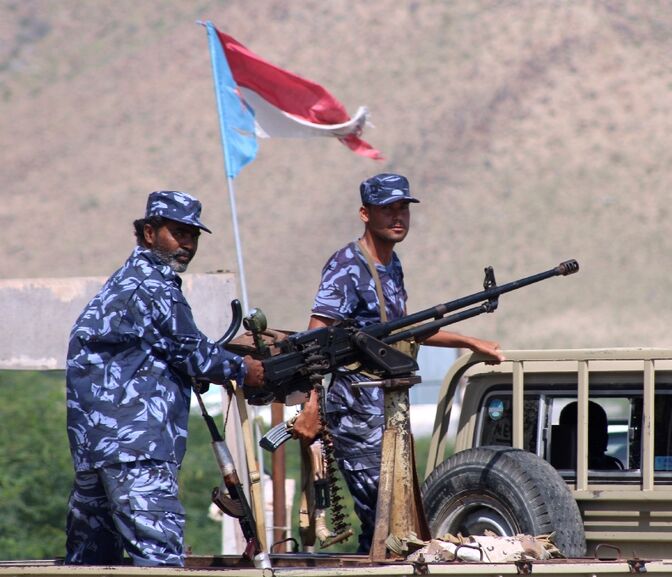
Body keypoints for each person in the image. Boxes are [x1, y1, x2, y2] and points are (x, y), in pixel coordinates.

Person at [65, 190, 265, 566]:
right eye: (178, 233)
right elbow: (192, 351)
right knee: (158, 562)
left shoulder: (125, 281)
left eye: (193, 236)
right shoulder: (151, 284)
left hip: (97, 451)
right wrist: (245, 370)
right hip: (136, 451)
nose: (187, 244)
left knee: (92, 565)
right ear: (148, 233)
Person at [307, 173, 505, 553]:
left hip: (387, 408)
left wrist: (468, 341)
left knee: (393, 523)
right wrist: (313, 407)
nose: (398, 217)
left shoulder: (391, 265)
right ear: (365, 214)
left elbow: (404, 330)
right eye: (387, 209)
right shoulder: (347, 265)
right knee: (386, 522)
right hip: (355, 410)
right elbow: (315, 342)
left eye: (403, 209)